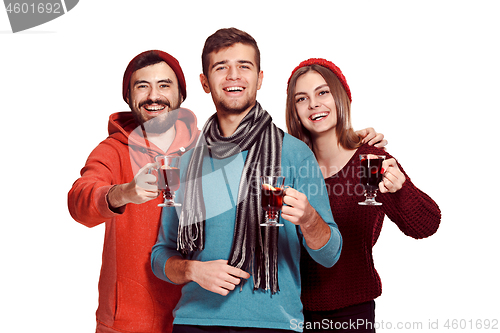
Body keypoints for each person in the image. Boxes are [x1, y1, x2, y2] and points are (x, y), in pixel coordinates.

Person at [151, 28, 383, 333]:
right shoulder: (184, 162)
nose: (233, 75)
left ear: (260, 78)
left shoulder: (296, 154)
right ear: (205, 82)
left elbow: (329, 254)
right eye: (221, 67)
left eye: (244, 67)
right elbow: (160, 254)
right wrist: (193, 270)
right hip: (195, 321)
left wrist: (310, 219)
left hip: (274, 325)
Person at [285, 58, 441, 332]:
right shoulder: (288, 165)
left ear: (342, 97)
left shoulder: (372, 159)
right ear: (294, 110)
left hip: (352, 310)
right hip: (290, 311)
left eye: (323, 92)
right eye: (301, 98)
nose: (313, 104)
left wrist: (401, 189)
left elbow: (427, 225)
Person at [68, 50, 200, 333]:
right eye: (143, 86)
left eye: (164, 85)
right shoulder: (112, 150)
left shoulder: (206, 149)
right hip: (128, 322)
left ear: (181, 95)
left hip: (196, 318)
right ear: (128, 97)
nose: (154, 96)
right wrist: (122, 193)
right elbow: (79, 200)